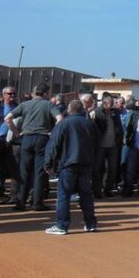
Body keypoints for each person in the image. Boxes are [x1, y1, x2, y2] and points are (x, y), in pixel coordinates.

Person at [43, 99, 99, 235]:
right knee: (86, 194)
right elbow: (97, 144)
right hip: (86, 163)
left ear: (69, 110)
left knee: (64, 195)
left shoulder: (64, 123)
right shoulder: (90, 124)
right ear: (82, 110)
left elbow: (54, 144)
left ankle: (62, 225)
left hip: (68, 163)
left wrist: (48, 163)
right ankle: (90, 224)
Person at [5, 82, 62, 211]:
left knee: (24, 171)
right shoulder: (49, 104)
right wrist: (53, 133)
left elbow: (7, 118)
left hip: (26, 138)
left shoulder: (25, 104)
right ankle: (37, 203)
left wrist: (16, 133)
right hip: (42, 138)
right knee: (39, 172)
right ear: (46, 93)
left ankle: (20, 202)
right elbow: (60, 118)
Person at [92, 95, 122, 198]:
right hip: (100, 145)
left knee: (112, 169)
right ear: (104, 103)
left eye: (113, 102)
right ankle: (97, 191)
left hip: (113, 145)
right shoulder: (98, 112)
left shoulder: (114, 113)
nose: (113, 104)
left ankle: (108, 190)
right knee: (98, 169)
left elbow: (119, 127)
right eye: (111, 103)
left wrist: (119, 137)